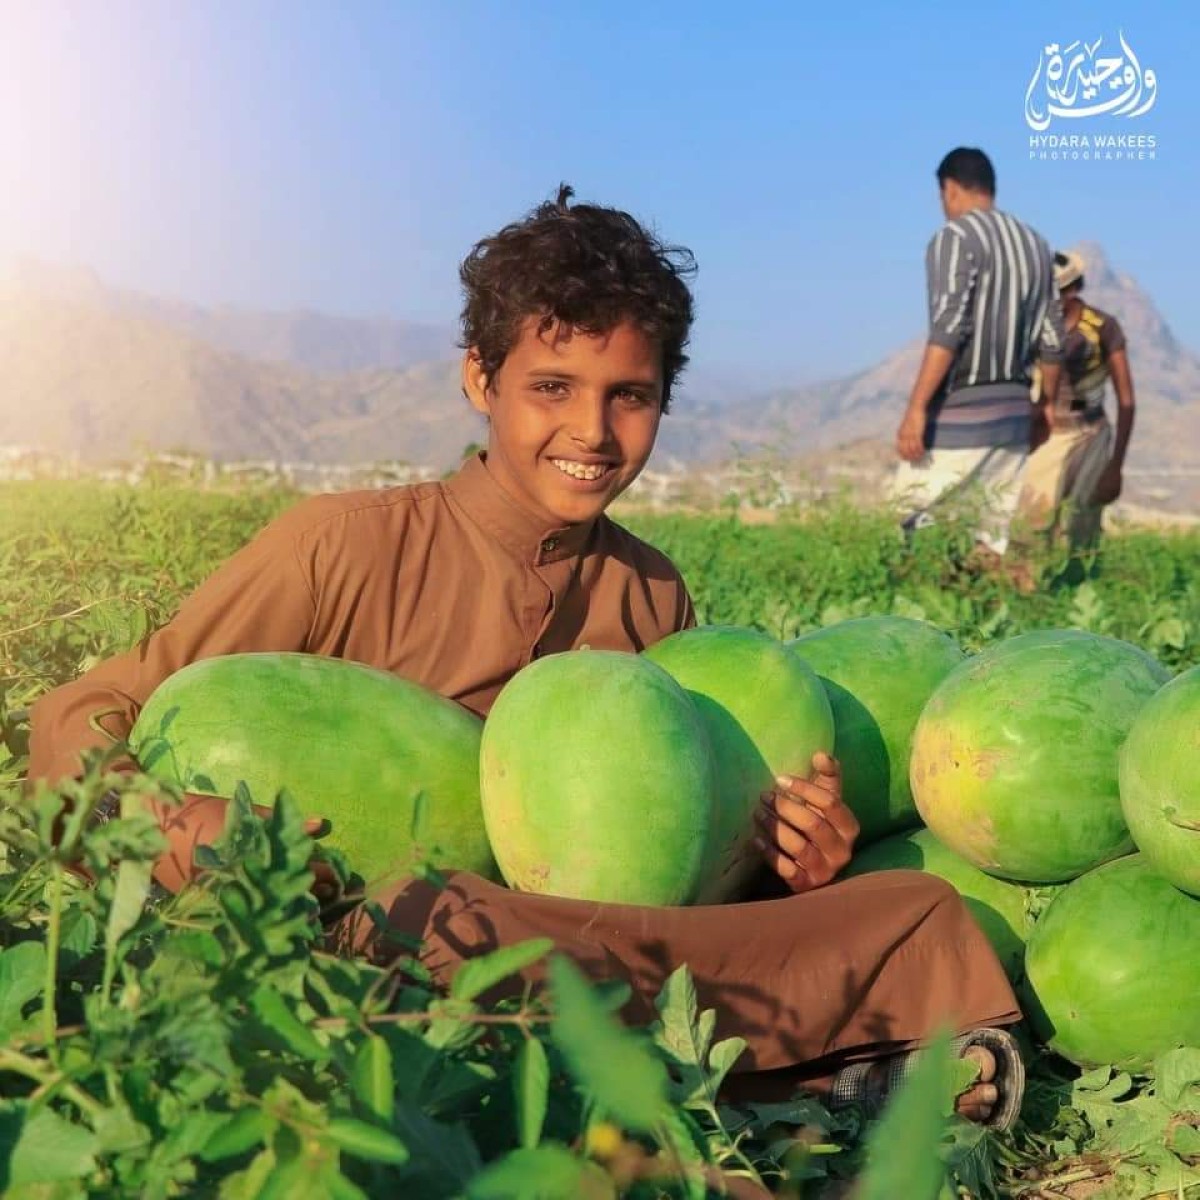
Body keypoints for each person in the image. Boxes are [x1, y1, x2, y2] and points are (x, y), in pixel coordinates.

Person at [26, 186, 1022, 1126]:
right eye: (552, 387)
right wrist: (161, 820)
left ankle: (772, 1066)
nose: (590, 431)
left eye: (629, 395)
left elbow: (662, 874)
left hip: (586, 947)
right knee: (442, 918)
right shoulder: (339, 543)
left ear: (664, 402)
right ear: (479, 379)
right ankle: (815, 1071)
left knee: (910, 908)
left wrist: (786, 857)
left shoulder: (654, 595)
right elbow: (85, 710)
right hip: (384, 940)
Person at [893, 147, 1066, 564]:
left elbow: (948, 329)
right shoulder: (1035, 244)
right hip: (1013, 414)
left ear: (949, 189)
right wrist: (1045, 407)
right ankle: (990, 620)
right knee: (988, 536)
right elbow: (1052, 338)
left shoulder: (954, 239)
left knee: (906, 519)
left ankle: (921, 618)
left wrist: (916, 409)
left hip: (962, 414)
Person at [1018, 249, 1137, 551]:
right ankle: (1027, 593)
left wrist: (1115, 466)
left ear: (1072, 289)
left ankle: (1076, 589)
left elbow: (1126, 400)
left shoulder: (1101, 327)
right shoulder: (1032, 327)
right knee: (1028, 527)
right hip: (1047, 436)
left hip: (1090, 434)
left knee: (1080, 531)